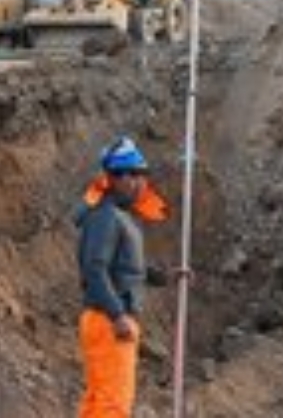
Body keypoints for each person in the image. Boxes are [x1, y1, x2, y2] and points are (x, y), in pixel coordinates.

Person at [74, 135, 169, 418]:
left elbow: (124, 267)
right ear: (116, 178)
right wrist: (117, 315)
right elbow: (95, 268)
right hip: (108, 320)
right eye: (135, 175)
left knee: (98, 402)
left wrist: (163, 276)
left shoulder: (117, 216)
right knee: (112, 405)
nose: (141, 183)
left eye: (143, 175)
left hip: (105, 319)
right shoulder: (106, 217)